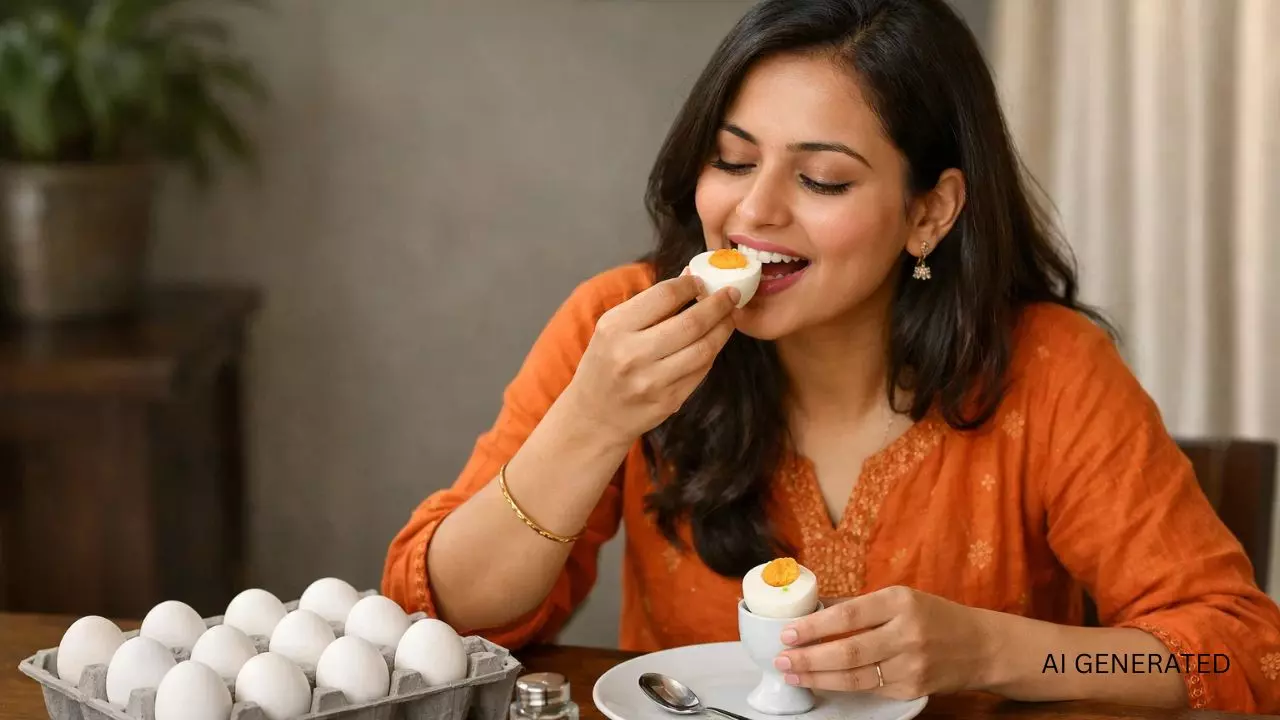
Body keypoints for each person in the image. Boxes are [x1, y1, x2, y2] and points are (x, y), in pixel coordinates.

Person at [383, 0, 1280, 713]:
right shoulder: (618, 324)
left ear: (930, 211)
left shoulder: (1051, 369)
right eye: (732, 161)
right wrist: (590, 421)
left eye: (822, 179)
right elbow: (437, 624)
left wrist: (992, 651)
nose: (754, 213)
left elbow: (1239, 652)